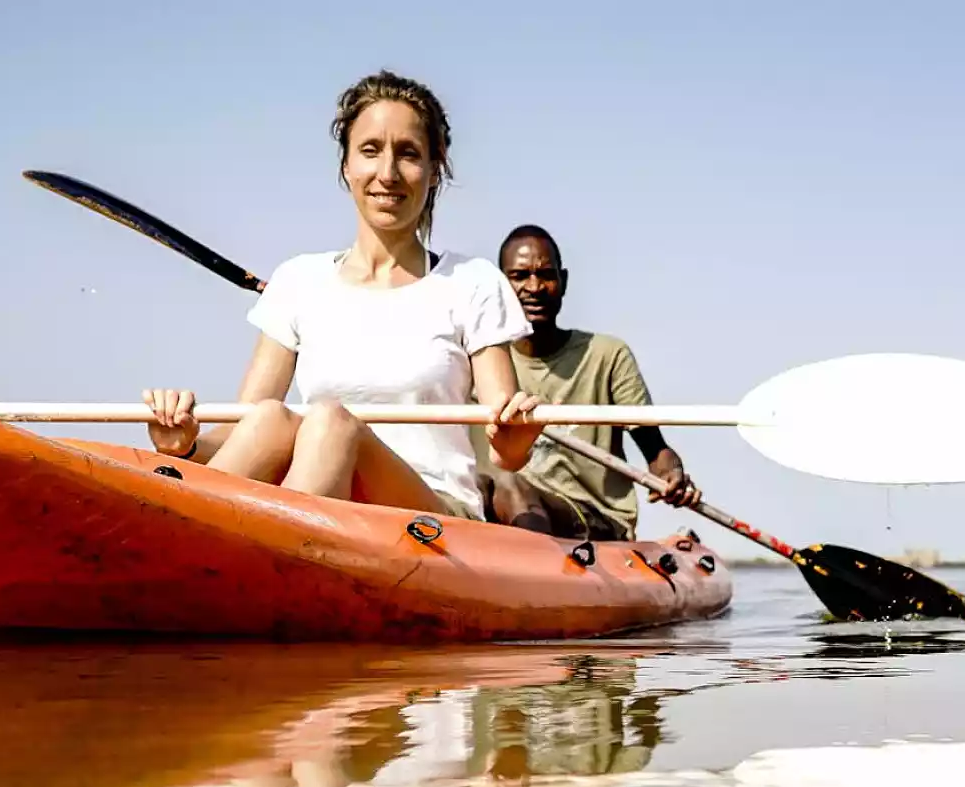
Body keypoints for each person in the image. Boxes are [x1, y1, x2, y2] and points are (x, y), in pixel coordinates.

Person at [142, 71, 543, 522]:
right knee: (272, 418)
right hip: (321, 503)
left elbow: (505, 443)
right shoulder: (297, 279)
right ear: (347, 166)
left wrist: (511, 447)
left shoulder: (473, 281)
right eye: (370, 151)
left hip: (435, 519)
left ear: (435, 171)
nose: (387, 174)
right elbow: (243, 426)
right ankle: (176, 537)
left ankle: (243, 550)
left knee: (330, 422)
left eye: (408, 154)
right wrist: (187, 442)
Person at [476, 225, 701, 541]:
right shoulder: (479, 360)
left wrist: (672, 476)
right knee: (474, 484)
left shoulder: (607, 355)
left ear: (563, 281)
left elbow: (656, 452)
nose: (534, 286)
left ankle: (540, 575)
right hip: (502, 512)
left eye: (546, 275)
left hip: (595, 518)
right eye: (519, 276)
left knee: (510, 485)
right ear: (501, 286)